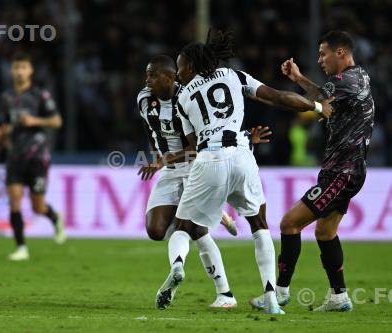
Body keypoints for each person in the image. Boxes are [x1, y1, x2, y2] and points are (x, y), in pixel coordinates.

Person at [160, 30, 334, 315]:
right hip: (242, 155)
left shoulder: (182, 99)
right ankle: (271, 297)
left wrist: (166, 158)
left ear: (190, 66)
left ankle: (178, 265)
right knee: (259, 224)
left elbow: (193, 147)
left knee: (184, 227)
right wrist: (317, 106)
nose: (178, 74)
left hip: (209, 159)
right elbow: (278, 97)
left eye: (179, 67)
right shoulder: (234, 75)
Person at [251, 30, 374, 312]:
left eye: (323, 53)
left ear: (340, 53)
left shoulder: (346, 80)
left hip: (342, 172)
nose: (320, 60)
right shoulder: (360, 77)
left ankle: (280, 292)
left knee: (289, 223)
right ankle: (339, 296)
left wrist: (277, 96)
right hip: (346, 169)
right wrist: (297, 79)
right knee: (325, 232)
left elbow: (319, 103)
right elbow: (324, 99)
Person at [138, 55, 272, 309]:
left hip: (196, 167)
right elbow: (150, 129)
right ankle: (216, 216)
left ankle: (225, 293)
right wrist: (158, 156)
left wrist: (244, 137)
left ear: (170, 77)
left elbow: (203, 141)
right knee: (155, 231)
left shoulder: (187, 96)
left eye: (152, 75)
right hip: (168, 168)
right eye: (147, 74)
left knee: (195, 230)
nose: (147, 80)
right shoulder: (144, 99)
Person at [0, 52, 65, 261]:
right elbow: (3, 124)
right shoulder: (7, 98)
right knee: (14, 200)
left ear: (31, 70)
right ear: (11, 71)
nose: (20, 71)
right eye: (16, 67)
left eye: (24, 67)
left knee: (37, 206)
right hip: (14, 156)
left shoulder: (40, 95)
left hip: (37, 156)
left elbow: (57, 121)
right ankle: (21, 247)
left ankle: (55, 217)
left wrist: (34, 120)